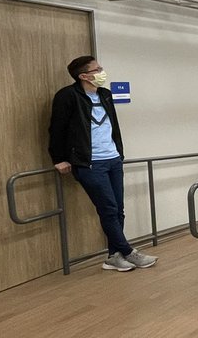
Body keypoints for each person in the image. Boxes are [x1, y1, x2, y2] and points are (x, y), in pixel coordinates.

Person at [49, 55, 157, 273]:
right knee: (108, 209)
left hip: (113, 159)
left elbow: (113, 126)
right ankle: (128, 252)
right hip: (89, 163)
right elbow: (57, 129)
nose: (102, 72)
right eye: (97, 69)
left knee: (118, 210)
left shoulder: (105, 94)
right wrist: (58, 158)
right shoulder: (67, 96)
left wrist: (119, 153)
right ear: (84, 76)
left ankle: (113, 256)